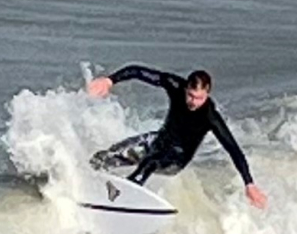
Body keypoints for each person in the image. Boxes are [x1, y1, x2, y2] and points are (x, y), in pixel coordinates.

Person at [86, 65, 268, 209]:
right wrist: (110, 80)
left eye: (199, 98)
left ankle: (122, 200)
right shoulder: (175, 86)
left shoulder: (210, 117)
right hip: (158, 141)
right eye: (190, 95)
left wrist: (249, 183)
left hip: (176, 159)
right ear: (186, 88)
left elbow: (233, 149)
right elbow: (138, 72)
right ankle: (86, 186)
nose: (193, 102)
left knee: (150, 162)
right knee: (107, 156)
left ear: (207, 93)